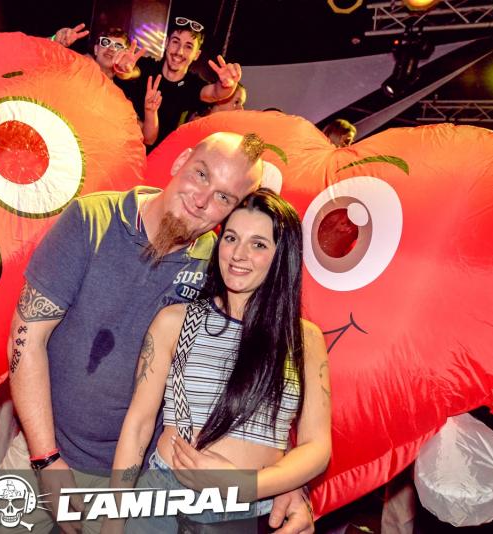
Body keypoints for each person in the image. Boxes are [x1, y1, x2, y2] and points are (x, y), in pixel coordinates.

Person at [0, 132, 314, 534]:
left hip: (136, 482)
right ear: (181, 161)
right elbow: (26, 341)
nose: (202, 200)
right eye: (201, 174)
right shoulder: (92, 220)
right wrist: (46, 460)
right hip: (41, 452)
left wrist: (286, 482)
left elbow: (257, 375)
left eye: (223, 197)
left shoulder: (221, 264)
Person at [104, 189, 331, 533]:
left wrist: (247, 485)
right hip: (164, 502)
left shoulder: (305, 339)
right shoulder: (174, 321)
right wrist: (113, 519)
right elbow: (138, 425)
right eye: (231, 238)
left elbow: (317, 446)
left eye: (258, 244)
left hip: (253, 511)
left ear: (282, 255)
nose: (238, 254)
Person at [119, 17, 243, 148]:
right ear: (167, 43)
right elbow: (130, 72)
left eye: (188, 46)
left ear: (196, 54)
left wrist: (228, 84)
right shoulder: (147, 67)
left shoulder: (192, 85)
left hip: (164, 156)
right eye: (175, 42)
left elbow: (215, 93)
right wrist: (124, 68)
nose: (179, 51)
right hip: (125, 146)